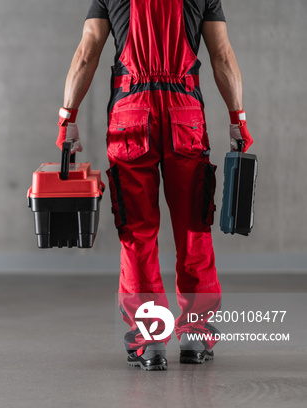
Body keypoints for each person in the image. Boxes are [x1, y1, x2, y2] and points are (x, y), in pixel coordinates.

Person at [57, 0, 254, 370]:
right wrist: (237, 118)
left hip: (130, 117)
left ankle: (149, 342)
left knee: (138, 233)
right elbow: (222, 56)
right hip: (185, 116)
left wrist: (67, 115)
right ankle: (195, 338)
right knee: (194, 229)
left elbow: (87, 53)